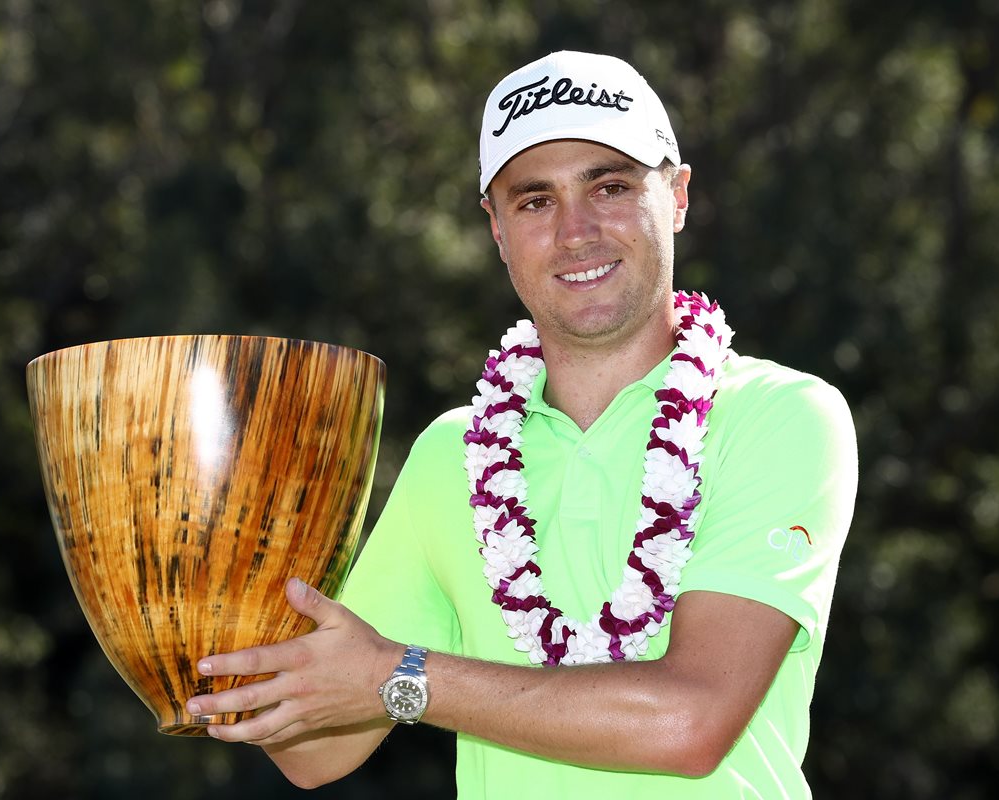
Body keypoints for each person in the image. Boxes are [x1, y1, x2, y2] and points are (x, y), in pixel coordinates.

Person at [186, 50, 858, 799]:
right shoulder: (455, 453)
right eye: (535, 201)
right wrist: (205, 580)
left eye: (610, 186)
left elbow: (689, 722)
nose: (576, 232)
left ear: (677, 195)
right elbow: (316, 755)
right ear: (497, 228)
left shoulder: (780, 416)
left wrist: (404, 678)